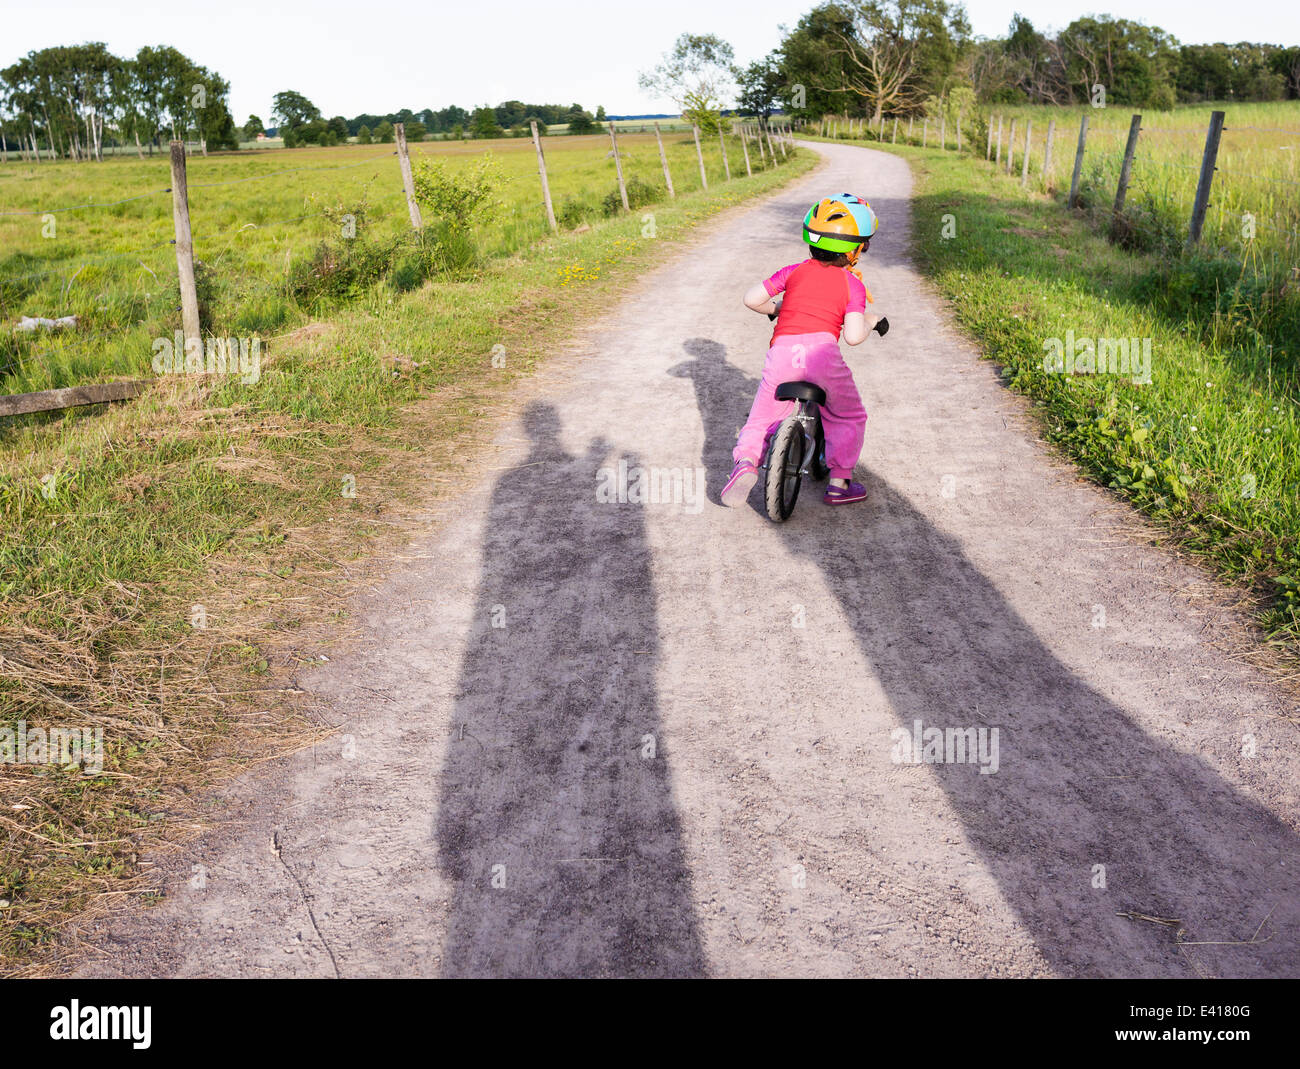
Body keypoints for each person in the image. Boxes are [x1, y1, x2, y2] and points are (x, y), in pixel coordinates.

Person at [721, 193, 885, 508]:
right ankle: (840, 483)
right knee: (848, 413)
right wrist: (872, 321)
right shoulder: (853, 285)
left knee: (761, 418)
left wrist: (777, 308)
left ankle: (745, 463)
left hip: (782, 353)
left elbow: (750, 299)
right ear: (853, 251)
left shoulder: (793, 271)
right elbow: (852, 336)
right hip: (822, 358)